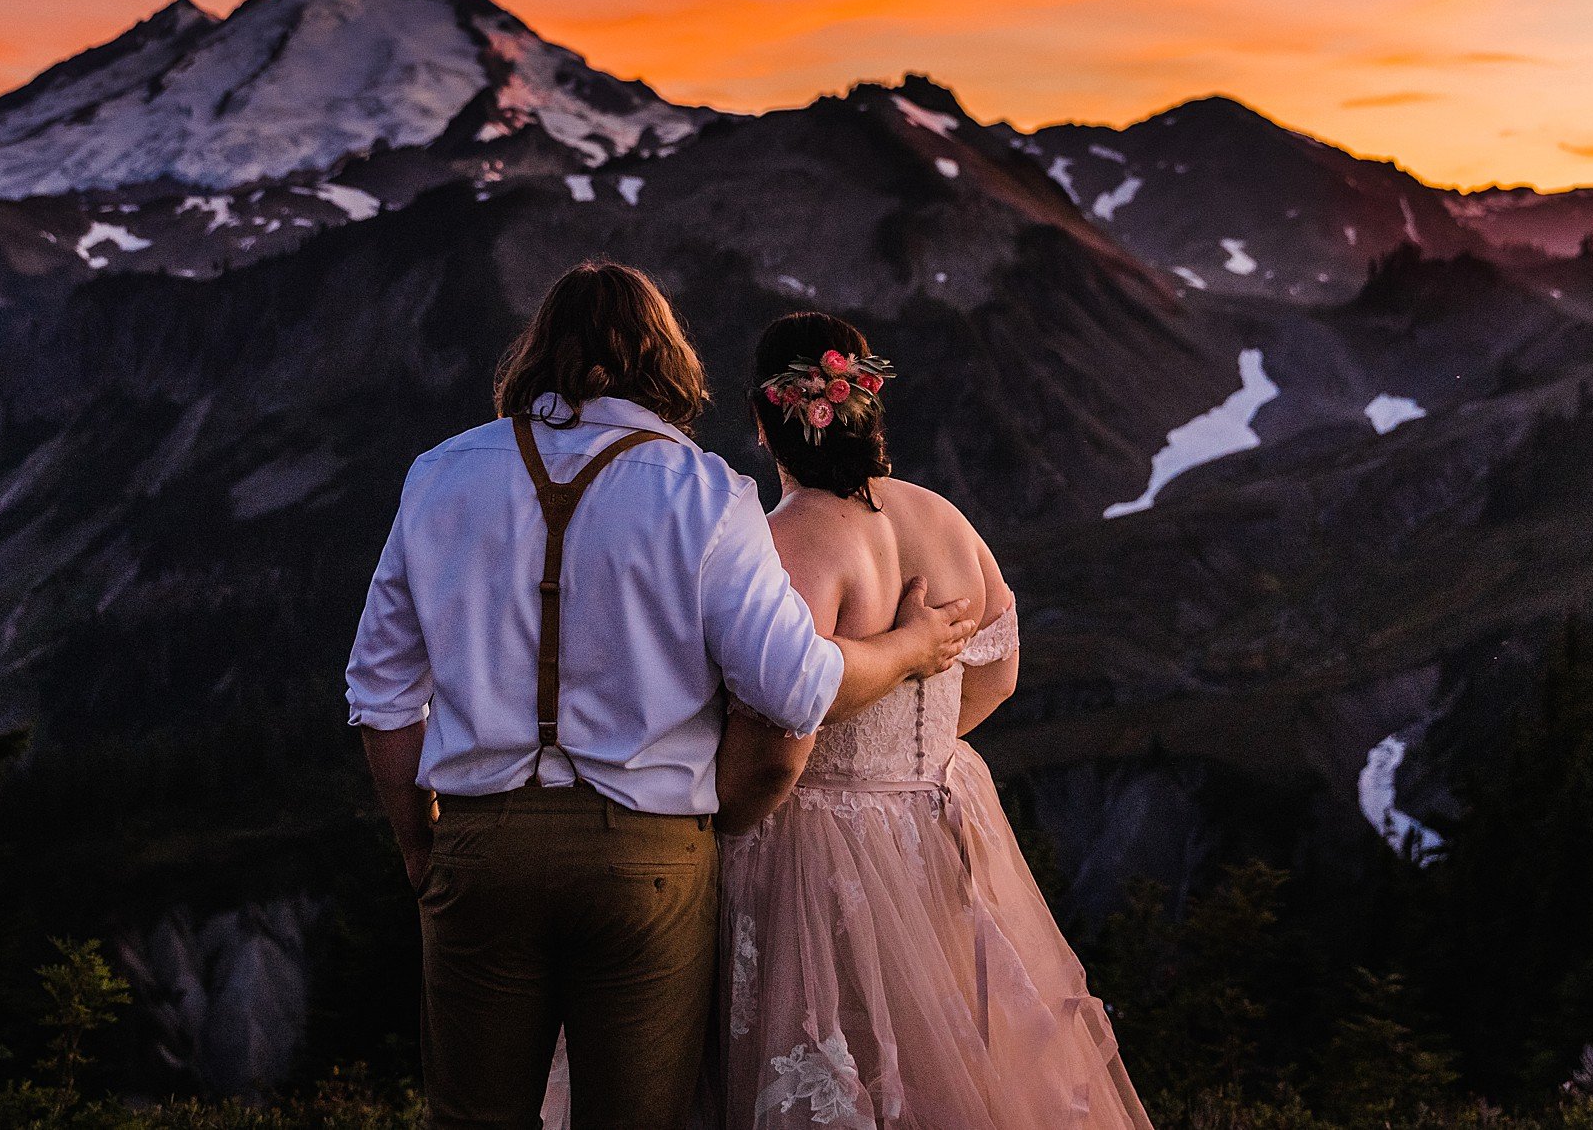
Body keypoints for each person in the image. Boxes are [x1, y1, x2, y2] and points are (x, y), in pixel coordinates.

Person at [345, 264, 978, 1130]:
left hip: (482, 846)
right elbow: (795, 686)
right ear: (664, 360)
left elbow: (380, 694)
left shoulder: (439, 475)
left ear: (535, 353)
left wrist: (420, 846)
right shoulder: (708, 492)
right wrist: (908, 648)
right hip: (649, 860)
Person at [711, 311, 1154, 1129]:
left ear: (766, 419)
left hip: (812, 843)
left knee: (837, 1061)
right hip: (940, 820)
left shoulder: (787, 542)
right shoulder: (942, 518)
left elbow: (783, 722)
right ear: (866, 406)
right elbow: (1000, 671)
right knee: (950, 1063)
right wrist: (916, 752)